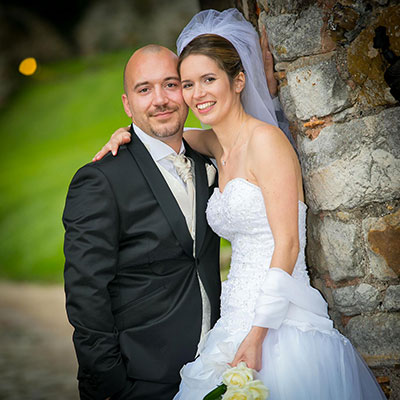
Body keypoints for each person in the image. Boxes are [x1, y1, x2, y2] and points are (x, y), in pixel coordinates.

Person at [98, 9, 386, 400]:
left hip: (279, 323)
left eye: (209, 80)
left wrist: (257, 335)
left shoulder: (267, 143)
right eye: (187, 84)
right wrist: (127, 135)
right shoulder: (216, 145)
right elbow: (172, 139)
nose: (197, 94)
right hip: (233, 317)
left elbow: (287, 246)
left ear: (238, 80)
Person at [63, 45, 223, 400]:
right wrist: (111, 383)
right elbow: (86, 293)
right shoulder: (100, 180)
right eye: (144, 89)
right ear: (127, 104)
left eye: (170, 85)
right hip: (142, 378)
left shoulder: (211, 157)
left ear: (185, 91)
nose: (160, 100)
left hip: (216, 365)